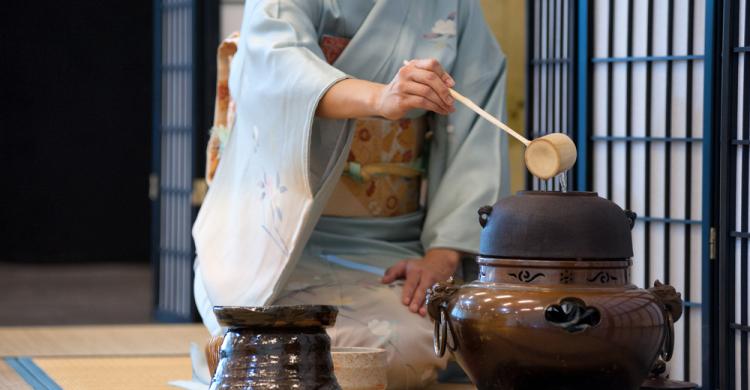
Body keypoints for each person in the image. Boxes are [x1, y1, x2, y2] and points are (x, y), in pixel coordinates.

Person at [193, 0, 509, 387]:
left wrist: (439, 259)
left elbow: (475, 129)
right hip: (269, 242)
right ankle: (241, 350)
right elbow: (278, 66)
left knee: (402, 347)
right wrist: (381, 99)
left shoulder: (454, 6)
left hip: (386, 251)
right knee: (265, 328)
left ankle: (237, 361)